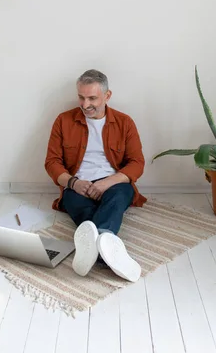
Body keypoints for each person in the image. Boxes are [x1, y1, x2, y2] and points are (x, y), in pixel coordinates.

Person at [45, 69, 146, 282]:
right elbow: (52, 162)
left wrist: (108, 182)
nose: (85, 104)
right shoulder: (63, 121)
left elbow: (137, 163)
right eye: (81, 97)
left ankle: (94, 246)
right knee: (74, 201)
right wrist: (73, 182)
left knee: (119, 195)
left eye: (92, 98)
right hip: (78, 184)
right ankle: (108, 246)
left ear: (107, 96)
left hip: (113, 183)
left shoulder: (124, 122)